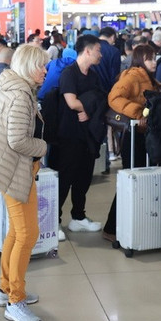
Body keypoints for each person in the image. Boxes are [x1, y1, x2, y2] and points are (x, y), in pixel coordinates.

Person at [0, 44, 49, 321]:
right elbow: (17, 140)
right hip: (15, 171)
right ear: (28, 67)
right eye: (41, 66)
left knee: (17, 232)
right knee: (27, 234)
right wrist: (43, 147)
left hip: (10, 169)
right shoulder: (20, 95)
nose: (45, 71)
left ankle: (7, 289)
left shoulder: (11, 88)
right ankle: (15, 300)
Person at [102, 44, 160, 241]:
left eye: (155, 58)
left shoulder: (149, 78)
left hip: (144, 136)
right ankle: (111, 228)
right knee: (130, 181)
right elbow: (114, 97)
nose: (154, 62)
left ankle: (133, 227)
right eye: (149, 58)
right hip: (134, 137)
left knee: (141, 182)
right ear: (140, 60)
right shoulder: (133, 76)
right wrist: (137, 113)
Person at [53, 34, 105, 233]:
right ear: (88, 51)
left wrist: (88, 111)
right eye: (98, 50)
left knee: (84, 177)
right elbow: (72, 102)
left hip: (88, 134)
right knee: (66, 177)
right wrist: (87, 108)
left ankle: (78, 216)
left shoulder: (93, 75)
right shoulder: (69, 73)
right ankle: (54, 221)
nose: (101, 54)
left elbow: (100, 100)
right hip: (70, 134)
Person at [92, 27, 122, 92]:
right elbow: (115, 75)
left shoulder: (90, 47)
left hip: (91, 88)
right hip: (107, 89)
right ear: (113, 37)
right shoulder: (114, 51)